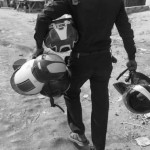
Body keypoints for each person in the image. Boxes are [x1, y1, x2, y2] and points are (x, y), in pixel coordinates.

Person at [33, 0, 137, 149]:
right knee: (100, 101)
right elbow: (125, 30)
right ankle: (99, 145)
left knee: (70, 91)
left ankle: (79, 135)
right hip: (103, 59)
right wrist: (131, 57)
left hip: (80, 60)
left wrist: (38, 47)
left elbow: (43, 17)